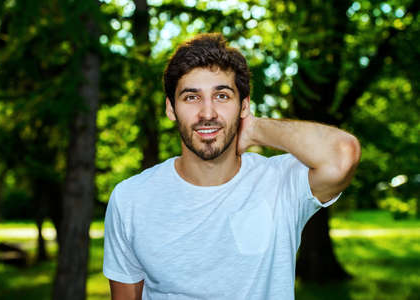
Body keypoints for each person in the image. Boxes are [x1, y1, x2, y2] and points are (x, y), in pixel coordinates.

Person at [103, 33, 361, 300]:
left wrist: (256, 129)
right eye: (191, 97)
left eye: (222, 96)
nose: (207, 113)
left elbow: (343, 155)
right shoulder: (131, 198)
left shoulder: (279, 184)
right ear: (171, 109)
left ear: (243, 105)